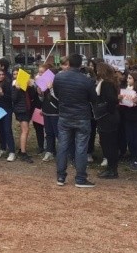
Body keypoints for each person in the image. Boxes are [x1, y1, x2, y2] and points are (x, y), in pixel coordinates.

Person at [53, 54, 98, 188]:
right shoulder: (87, 80)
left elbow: (57, 94)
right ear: (81, 64)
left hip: (64, 115)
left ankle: (61, 176)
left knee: (62, 146)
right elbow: (93, 99)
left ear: (69, 63)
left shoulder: (59, 77)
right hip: (82, 116)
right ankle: (80, 178)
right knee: (81, 147)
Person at [94, 63, 121, 179]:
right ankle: (111, 168)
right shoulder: (109, 82)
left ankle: (112, 169)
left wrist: (105, 110)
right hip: (109, 116)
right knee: (108, 143)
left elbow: (111, 99)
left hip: (107, 117)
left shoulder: (106, 83)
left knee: (108, 143)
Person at [0, 67, 16, 161]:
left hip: (7, 108)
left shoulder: (8, 83)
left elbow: (10, 98)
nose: (1, 76)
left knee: (7, 129)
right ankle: (3, 148)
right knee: (0, 129)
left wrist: (1, 93)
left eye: (2, 74)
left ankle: (12, 151)